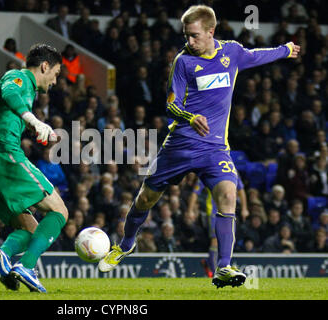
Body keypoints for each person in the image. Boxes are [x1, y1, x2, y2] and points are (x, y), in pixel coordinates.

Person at [98, 5, 300, 289]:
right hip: (179, 145)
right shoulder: (182, 62)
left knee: (228, 194)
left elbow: (257, 55)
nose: (188, 42)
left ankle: (224, 267)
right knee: (145, 199)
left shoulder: (231, 53)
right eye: (186, 36)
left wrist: (285, 49)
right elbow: (171, 103)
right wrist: (189, 117)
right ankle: (126, 244)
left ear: (210, 32)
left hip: (215, 148)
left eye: (194, 36)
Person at [0, 43, 68, 293]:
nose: (56, 81)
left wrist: (28, 127)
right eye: (56, 73)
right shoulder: (20, 77)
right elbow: (8, 93)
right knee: (59, 211)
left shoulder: (25, 88)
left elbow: (5, 109)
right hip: (2, 154)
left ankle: (4, 254)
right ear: (45, 66)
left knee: (30, 229)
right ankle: (26, 266)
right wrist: (34, 120)